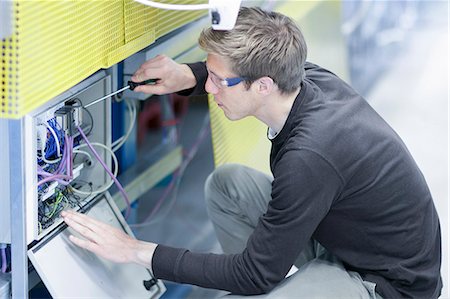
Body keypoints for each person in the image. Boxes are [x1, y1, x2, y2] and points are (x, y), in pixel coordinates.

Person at [61, 7, 442, 298]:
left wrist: (135, 251)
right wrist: (186, 74)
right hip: (348, 240)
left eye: (216, 80)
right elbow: (235, 75)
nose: (209, 90)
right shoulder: (304, 78)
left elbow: (255, 272)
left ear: (262, 86)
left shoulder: (311, 155)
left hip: (388, 284)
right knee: (229, 187)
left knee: (255, 275)